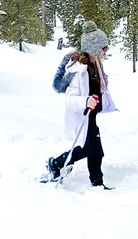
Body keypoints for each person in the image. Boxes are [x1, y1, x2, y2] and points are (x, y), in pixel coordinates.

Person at [44, 21, 117, 188]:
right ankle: (57, 164)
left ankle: (93, 181)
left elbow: (98, 90)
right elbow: (70, 100)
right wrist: (86, 101)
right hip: (83, 117)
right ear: (94, 49)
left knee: (93, 151)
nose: (105, 52)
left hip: (91, 116)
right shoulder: (79, 71)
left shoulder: (96, 66)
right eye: (103, 49)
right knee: (93, 151)